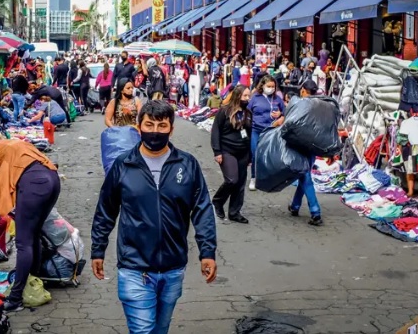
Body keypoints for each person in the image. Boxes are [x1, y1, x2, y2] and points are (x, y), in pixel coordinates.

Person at [91, 100, 217, 334]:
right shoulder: (123, 165)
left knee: (160, 329)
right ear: (138, 127)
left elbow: (202, 210)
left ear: (171, 128)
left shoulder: (187, 164)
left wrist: (207, 251)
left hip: (173, 268)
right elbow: (106, 210)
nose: (155, 131)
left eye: (162, 125)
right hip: (134, 269)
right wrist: (97, 248)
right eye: (149, 124)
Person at [0, 135, 61, 313]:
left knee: (23, 242)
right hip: (53, 178)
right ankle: (34, 280)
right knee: (34, 233)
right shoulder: (12, 144)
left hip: (35, 184)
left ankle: (15, 298)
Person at [211, 85, 253, 223]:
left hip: (243, 152)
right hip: (227, 150)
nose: (247, 99)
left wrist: (250, 155)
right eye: (245, 96)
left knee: (240, 183)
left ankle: (235, 212)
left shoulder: (248, 113)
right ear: (237, 96)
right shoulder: (224, 111)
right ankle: (218, 201)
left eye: (249, 96)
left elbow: (250, 134)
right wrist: (217, 151)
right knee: (231, 180)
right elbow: (215, 131)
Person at [288, 80, 323, 226]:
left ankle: (315, 212)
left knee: (305, 176)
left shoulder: (301, 104)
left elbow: (292, 123)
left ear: (303, 90)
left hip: (301, 145)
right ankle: (295, 206)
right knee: (303, 174)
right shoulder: (321, 105)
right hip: (314, 145)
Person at [248, 75, 285, 191]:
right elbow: (247, 112)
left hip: (271, 132)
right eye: (268, 86)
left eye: (273, 86)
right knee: (255, 154)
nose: (271, 88)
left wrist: (280, 117)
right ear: (262, 85)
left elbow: (286, 113)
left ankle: (268, 179)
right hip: (256, 130)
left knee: (270, 156)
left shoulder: (277, 99)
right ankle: (254, 178)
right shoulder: (255, 98)